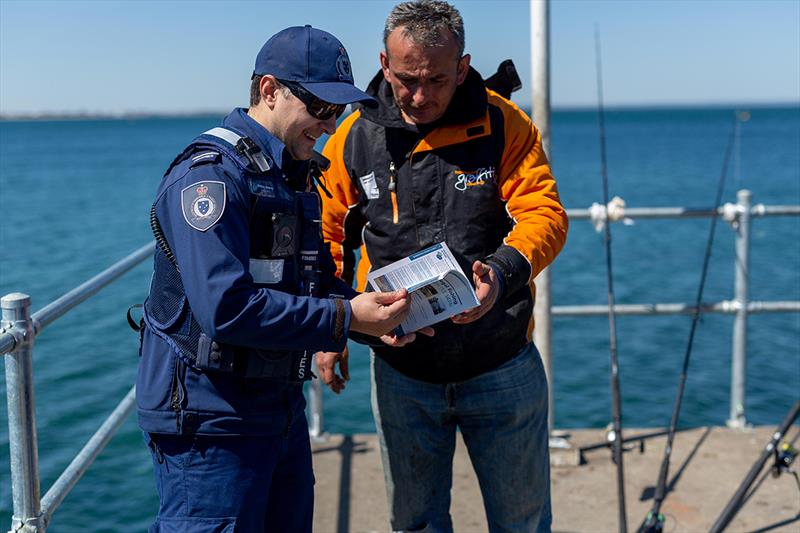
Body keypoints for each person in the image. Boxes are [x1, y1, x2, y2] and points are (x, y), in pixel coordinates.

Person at [136, 25, 422, 533]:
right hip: (212, 424)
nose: (330, 125)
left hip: (276, 410)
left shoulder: (292, 173)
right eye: (320, 107)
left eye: (339, 112)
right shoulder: (212, 178)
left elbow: (305, 286)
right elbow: (226, 309)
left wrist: (370, 316)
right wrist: (344, 317)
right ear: (269, 90)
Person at [317, 1, 568, 531]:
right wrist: (335, 326)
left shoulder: (503, 122)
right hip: (402, 373)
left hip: (501, 361)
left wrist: (499, 274)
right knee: (416, 524)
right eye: (407, 78)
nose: (420, 95)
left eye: (436, 79)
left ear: (462, 66)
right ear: (384, 64)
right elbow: (329, 235)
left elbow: (544, 213)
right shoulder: (354, 136)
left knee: (523, 522)